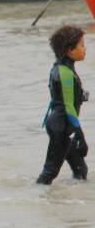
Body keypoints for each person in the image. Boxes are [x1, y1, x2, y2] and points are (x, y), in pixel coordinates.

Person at [37, 25, 88, 184]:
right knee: (49, 172)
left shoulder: (62, 67)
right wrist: (80, 136)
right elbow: (68, 106)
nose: (85, 49)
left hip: (64, 126)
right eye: (81, 45)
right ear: (70, 50)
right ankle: (36, 195)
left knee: (80, 170)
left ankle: (70, 197)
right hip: (60, 127)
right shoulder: (64, 72)